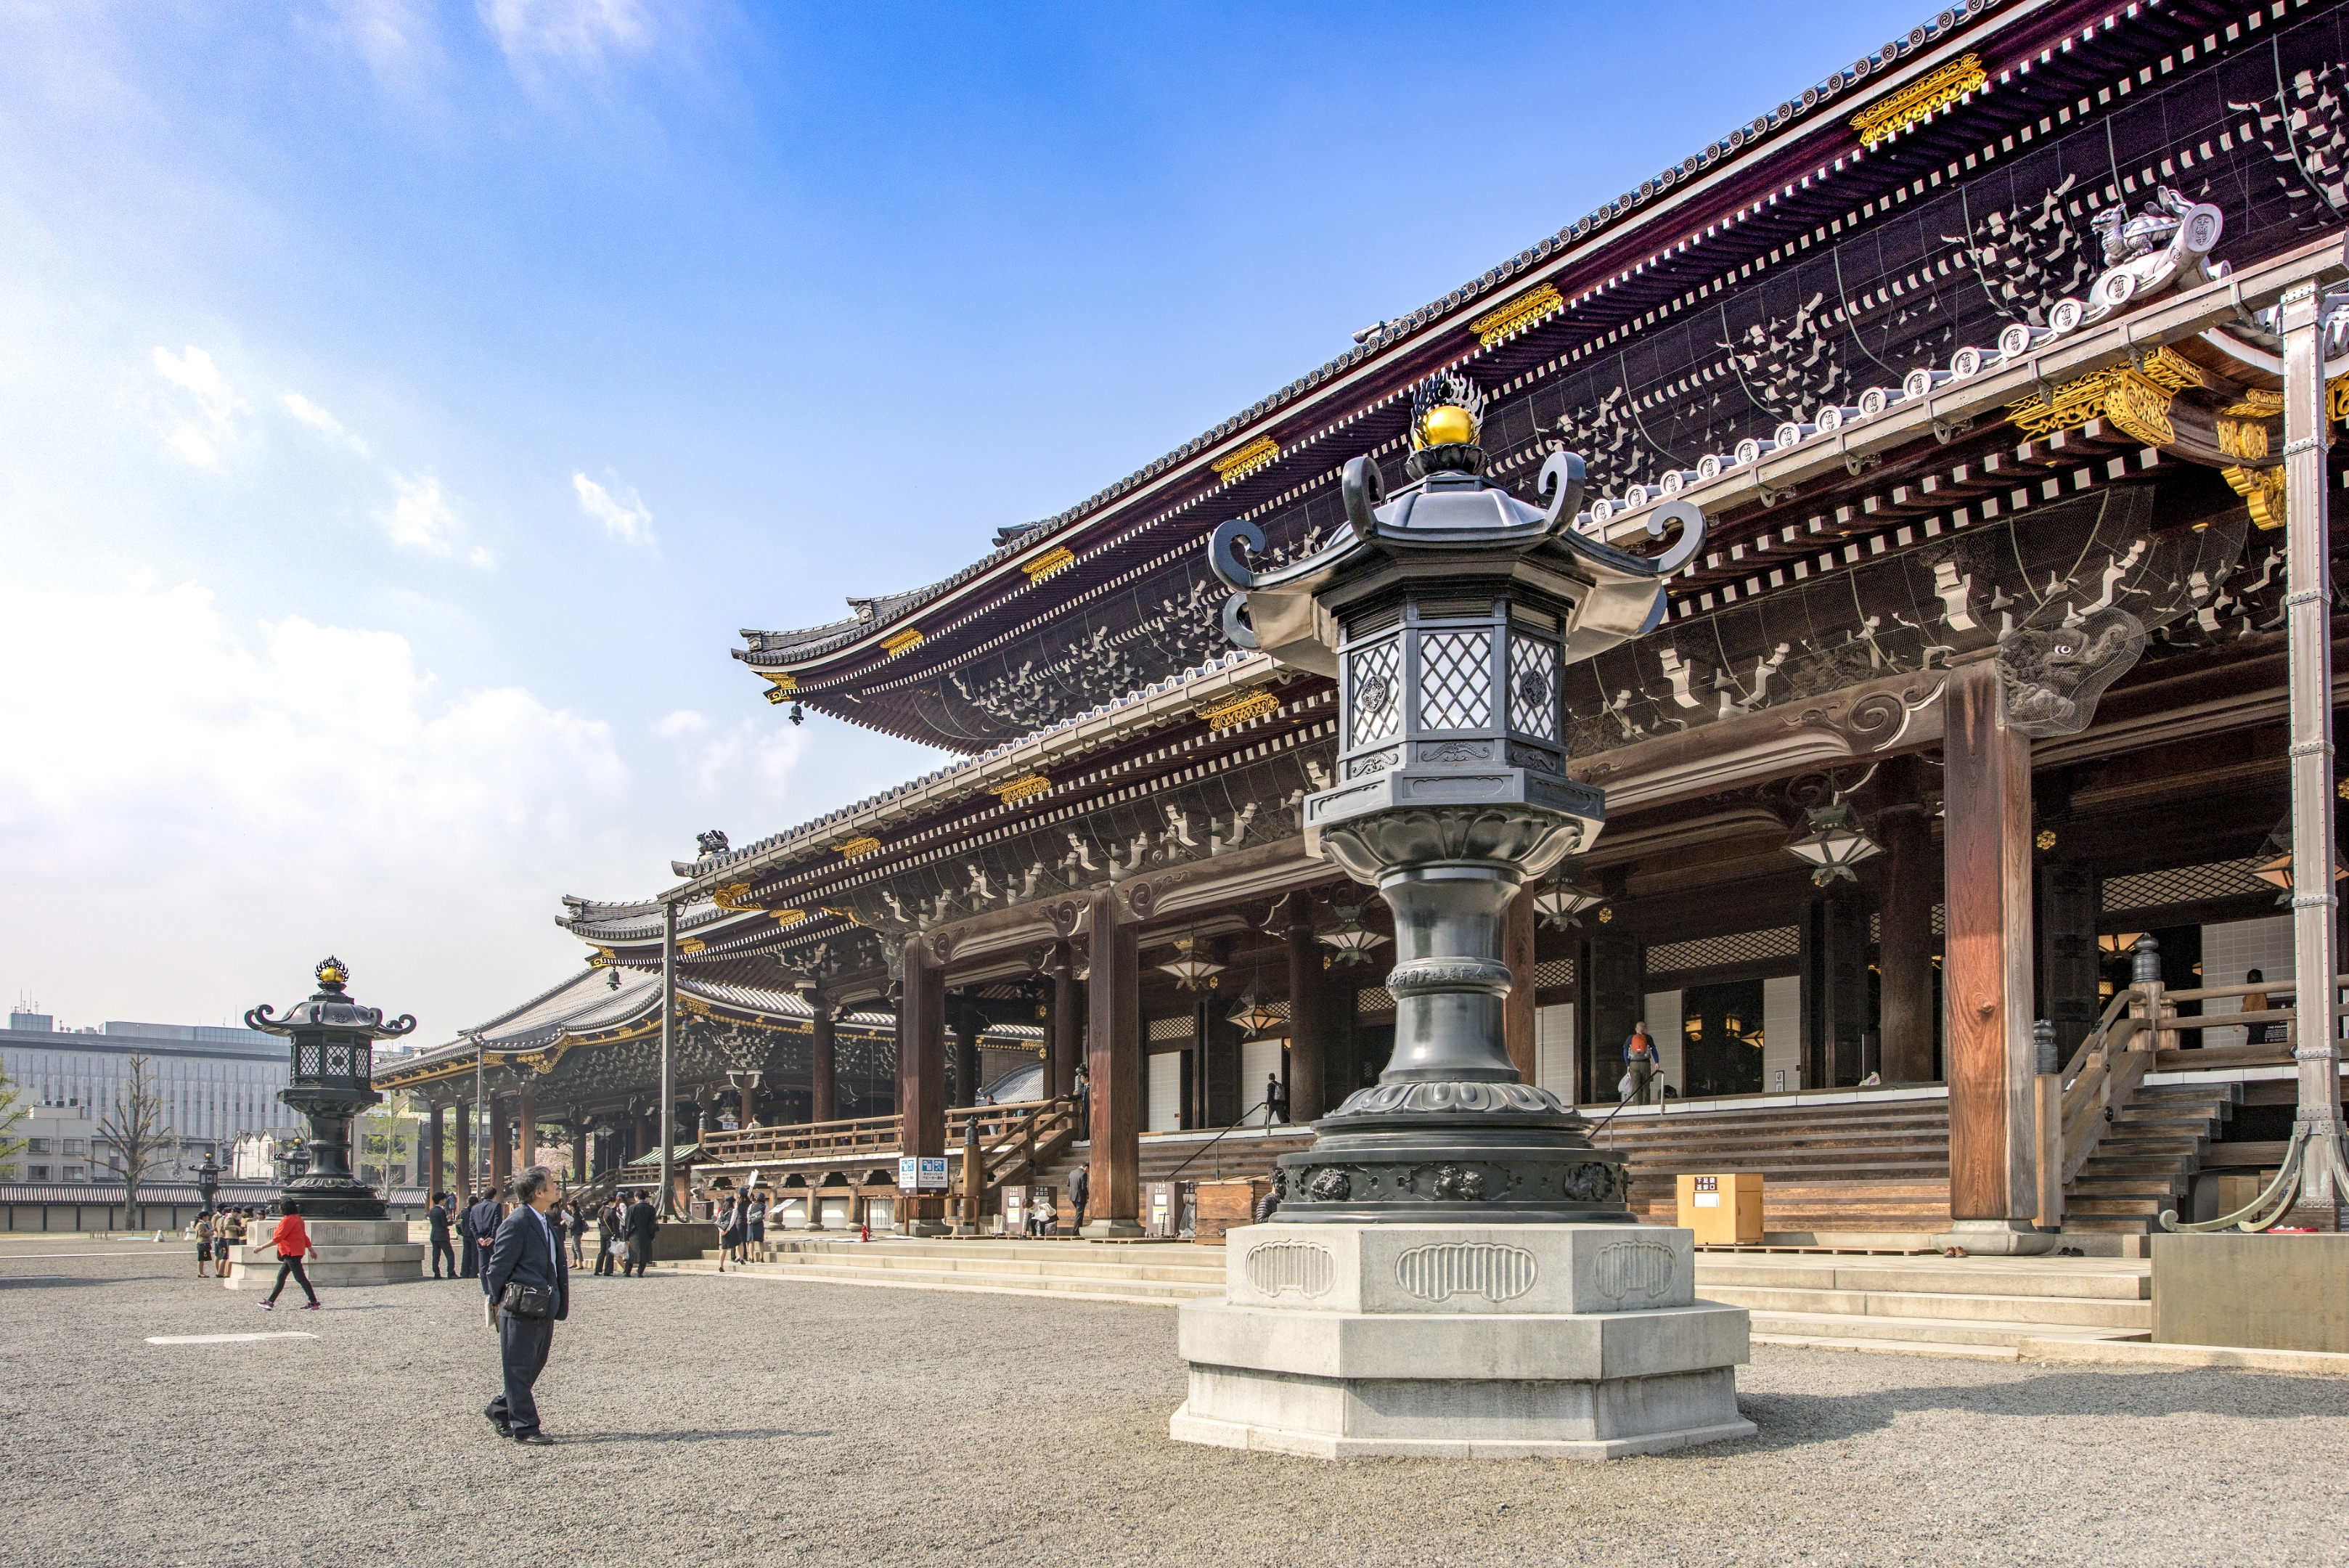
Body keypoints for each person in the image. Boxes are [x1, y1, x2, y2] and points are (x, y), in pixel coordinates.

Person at [482, 1164, 570, 1447]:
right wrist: (496, 1301)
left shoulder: (545, 1220)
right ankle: (526, 1426)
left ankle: (499, 1409)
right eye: (552, 1183)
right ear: (538, 1192)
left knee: (534, 1364)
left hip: (544, 1303)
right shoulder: (517, 1222)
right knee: (518, 1366)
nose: (556, 1187)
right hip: (520, 1305)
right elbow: (496, 1269)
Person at [258, 1201, 320, 1311]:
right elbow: (304, 1236)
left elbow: (278, 1238)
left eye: (281, 1208)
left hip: (291, 1252)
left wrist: (262, 1247)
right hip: (295, 1252)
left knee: (300, 1278)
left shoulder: (288, 1220)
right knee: (281, 1277)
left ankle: (313, 1302)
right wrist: (311, 1250)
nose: (280, 1210)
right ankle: (270, 1302)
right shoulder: (298, 1218)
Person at [468, 1185, 509, 1297]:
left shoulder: (475, 1208)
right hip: (492, 1239)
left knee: (483, 1265)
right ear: (494, 1195)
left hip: (480, 1240)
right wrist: (492, 1237)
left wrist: (478, 1237)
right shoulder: (496, 1206)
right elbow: (497, 1222)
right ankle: (496, 1286)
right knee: (498, 1262)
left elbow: (472, 1224)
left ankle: (485, 1288)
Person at [1621, 1021, 1659, 1105]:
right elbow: (1654, 1050)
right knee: (1646, 1085)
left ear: (1636, 1029)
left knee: (1636, 1086)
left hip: (1634, 1064)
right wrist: (1657, 1062)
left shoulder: (1630, 1038)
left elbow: (1625, 1051)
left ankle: (1637, 1106)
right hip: (1645, 1064)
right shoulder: (1648, 1038)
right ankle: (1646, 1105)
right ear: (1645, 1029)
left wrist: (1628, 1065)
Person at [623, 1191, 657, 1277]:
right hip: (646, 1233)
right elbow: (653, 1223)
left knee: (632, 1253)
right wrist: (652, 1235)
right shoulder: (651, 1208)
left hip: (634, 1234)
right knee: (644, 1254)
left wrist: (627, 1234)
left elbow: (628, 1223)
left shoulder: (632, 1208)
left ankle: (627, 1272)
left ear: (636, 1197)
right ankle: (640, 1272)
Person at [428, 1193, 457, 1280]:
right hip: (442, 1236)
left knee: (436, 1256)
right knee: (450, 1255)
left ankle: (437, 1273)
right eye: (444, 1200)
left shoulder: (431, 1211)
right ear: (441, 1201)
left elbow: (438, 1222)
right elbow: (444, 1224)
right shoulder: (441, 1211)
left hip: (434, 1235)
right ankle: (451, 1272)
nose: (445, 1201)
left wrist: (446, 1218)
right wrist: (452, 1222)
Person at [595, 1199, 621, 1276]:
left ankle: (598, 1270)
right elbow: (615, 1225)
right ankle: (608, 1271)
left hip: (602, 1233)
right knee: (609, 1252)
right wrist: (617, 1235)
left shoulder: (601, 1211)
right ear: (610, 1202)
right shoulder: (611, 1212)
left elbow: (599, 1223)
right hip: (610, 1233)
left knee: (602, 1252)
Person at [216, 1207, 244, 1278]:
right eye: (236, 1213)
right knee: (230, 1256)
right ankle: (227, 1273)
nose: (237, 1215)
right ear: (232, 1211)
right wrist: (236, 1227)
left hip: (233, 1237)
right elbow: (226, 1227)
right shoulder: (229, 1217)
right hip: (231, 1237)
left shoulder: (232, 1218)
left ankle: (228, 1272)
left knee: (231, 1256)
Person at [1066, 1161, 1090, 1233]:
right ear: (1086, 1168)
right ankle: (1076, 1232)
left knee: (1078, 1214)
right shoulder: (1083, 1174)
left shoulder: (1072, 1172)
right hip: (1080, 1197)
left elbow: (1068, 1184)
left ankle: (1077, 1231)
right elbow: (1084, 1187)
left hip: (1072, 1196)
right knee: (1079, 1215)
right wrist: (1087, 1194)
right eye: (1089, 1170)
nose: (1088, 1171)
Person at [745, 1191, 767, 1255]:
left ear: (757, 1198)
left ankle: (751, 1257)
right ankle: (762, 1257)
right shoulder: (765, 1207)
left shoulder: (751, 1205)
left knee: (751, 1242)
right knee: (761, 1242)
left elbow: (748, 1215)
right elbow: (766, 1219)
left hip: (751, 1224)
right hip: (760, 1224)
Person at [566, 1201, 588, 1267]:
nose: (568, 1207)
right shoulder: (577, 1213)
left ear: (572, 1206)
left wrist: (567, 1225)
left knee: (577, 1249)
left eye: (569, 1206)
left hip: (577, 1233)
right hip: (577, 1232)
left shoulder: (575, 1215)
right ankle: (574, 1262)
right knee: (573, 1248)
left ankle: (580, 1264)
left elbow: (573, 1225)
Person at [194, 1211, 214, 1277]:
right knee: (201, 1259)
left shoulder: (202, 1224)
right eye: (207, 1216)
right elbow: (201, 1233)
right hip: (202, 1242)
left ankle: (201, 1272)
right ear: (204, 1217)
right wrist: (211, 1233)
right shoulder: (200, 1224)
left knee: (202, 1259)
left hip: (204, 1242)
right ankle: (201, 1273)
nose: (208, 1217)